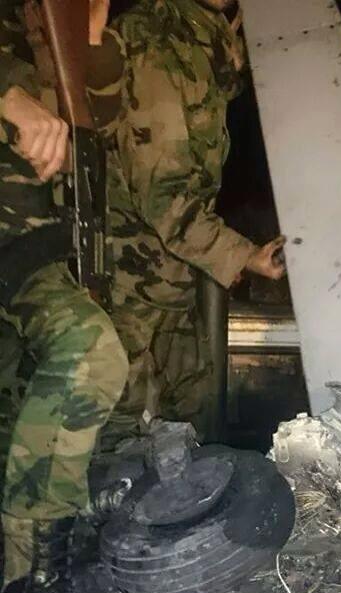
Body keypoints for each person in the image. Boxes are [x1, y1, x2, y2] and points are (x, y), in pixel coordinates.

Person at [104, 0, 285, 445]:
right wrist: (244, 256)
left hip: (174, 274)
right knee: (122, 431)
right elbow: (162, 196)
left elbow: (205, 101)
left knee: (196, 419)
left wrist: (229, 55)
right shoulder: (153, 40)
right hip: (130, 280)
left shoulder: (200, 37)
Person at [0, 1, 129, 593]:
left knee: (27, 409)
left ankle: (29, 570)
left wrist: (89, 44)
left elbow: (92, 125)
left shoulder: (42, 21)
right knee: (89, 351)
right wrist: (7, 92)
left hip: (30, 248)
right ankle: (34, 570)